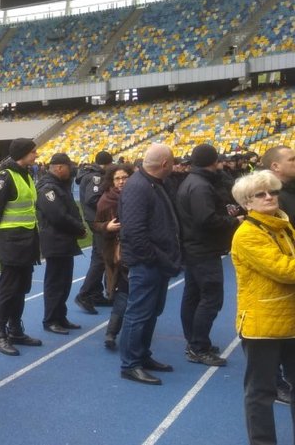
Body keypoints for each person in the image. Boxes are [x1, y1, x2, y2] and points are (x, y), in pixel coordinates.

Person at [229, 170, 295, 445]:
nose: (269, 197)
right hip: (262, 324)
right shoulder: (247, 235)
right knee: (261, 392)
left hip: (290, 319)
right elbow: (285, 270)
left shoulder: (282, 224)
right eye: (261, 194)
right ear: (247, 202)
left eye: (273, 191)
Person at [117, 144, 181, 385]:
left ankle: (142, 356)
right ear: (165, 164)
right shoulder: (138, 187)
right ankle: (130, 364)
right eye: (173, 162)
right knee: (138, 313)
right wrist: (157, 259)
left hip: (156, 263)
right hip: (147, 264)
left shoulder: (152, 184)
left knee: (151, 312)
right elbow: (134, 231)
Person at [175, 144, 243, 367]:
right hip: (203, 249)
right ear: (214, 161)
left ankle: (195, 340)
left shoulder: (192, 182)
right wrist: (234, 221)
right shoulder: (201, 186)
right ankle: (198, 346)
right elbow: (206, 219)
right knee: (211, 298)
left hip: (195, 247)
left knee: (193, 295)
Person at [0, 138, 43, 356]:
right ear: (23, 153)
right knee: (8, 289)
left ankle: (15, 329)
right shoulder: (5, 176)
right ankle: (0, 335)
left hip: (27, 240)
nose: (36, 155)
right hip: (11, 241)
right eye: (33, 152)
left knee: (21, 287)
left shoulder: (24, 173)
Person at [35, 153, 86, 335]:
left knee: (64, 283)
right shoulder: (48, 188)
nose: (71, 170)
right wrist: (79, 228)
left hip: (64, 241)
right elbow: (58, 216)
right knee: (55, 283)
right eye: (68, 167)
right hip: (55, 240)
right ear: (58, 167)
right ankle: (50, 319)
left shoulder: (59, 186)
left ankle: (60, 316)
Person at [262, 145, 295, 405]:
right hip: (278, 277)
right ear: (275, 166)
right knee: (274, 336)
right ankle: (274, 382)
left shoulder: (290, 190)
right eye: (291, 159)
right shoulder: (273, 198)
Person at [90, 164, 134, 350]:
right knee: (123, 293)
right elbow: (96, 225)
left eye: (124, 177)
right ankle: (112, 333)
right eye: (117, 178)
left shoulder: (137, 196)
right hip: (117, 253)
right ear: (111, 181)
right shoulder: (105, 201)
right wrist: (106, 226)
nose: (121, 181)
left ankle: (130, 330)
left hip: (137, 249)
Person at [74, 150, 113, 314]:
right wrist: (110, 204)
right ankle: (85, 293)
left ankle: (95, 293)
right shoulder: (96, 177)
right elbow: (93, 198)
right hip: (98, 220)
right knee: (101, 258)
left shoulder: (92, 174)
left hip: (95, 219)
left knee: (99, 256)